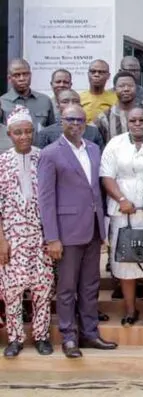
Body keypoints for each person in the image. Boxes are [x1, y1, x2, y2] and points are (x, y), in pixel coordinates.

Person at [38, 104, 117, 358]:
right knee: (67, 288)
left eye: (80, 119)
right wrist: (52, 237)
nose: (76, 123)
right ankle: (69, 337)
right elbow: (46, 199)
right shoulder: (50, 153)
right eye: (70, 119)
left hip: (93, 229)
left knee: (90, 286)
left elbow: (96, 190)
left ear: (86, 123)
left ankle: (90, 334)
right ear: (62, 121)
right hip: (66, 232)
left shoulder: (94, 149)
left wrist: (102, 229)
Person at [99, 105, 143, 328]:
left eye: (142, 120)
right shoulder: (115, 143)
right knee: (125, 264)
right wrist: (121, 199)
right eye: (133, 121)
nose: (137, 124)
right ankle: (130, 310)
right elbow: (106, 176)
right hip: (122, 212)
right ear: (127, 122)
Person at [0, 107, 54, 357]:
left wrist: (53, 236)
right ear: (10, 134)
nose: (24, 136)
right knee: (13, 290)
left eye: (28, 131)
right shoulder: (2, 162)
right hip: (12, 238)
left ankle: (41, 336)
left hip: (40, 235)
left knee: (42, 287)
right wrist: (1, 240)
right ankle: (15, 338)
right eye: (18, 132)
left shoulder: (43, 158)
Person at [37, 90, 105, 151]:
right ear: (58, 106)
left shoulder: (93, 132)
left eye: (75, 101)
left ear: (80, 105)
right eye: (65, 101)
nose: (71, 104)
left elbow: (100, 159)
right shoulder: (45, 134)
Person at [0, 58, 54, 129]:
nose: (22, 78)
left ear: (30, 75)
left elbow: (52, 131)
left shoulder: (45, 100)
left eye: (25, 74)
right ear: (9, 78)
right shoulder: (2, 102)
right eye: (17, 75)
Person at [94, 70, 142, 144]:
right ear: (114, 89)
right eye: (121, 86)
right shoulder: (104, 117)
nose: (126, 89)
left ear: (136, 88)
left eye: (130, 86)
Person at [79, 59, 117, 124]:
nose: (96, 75)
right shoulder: (79, 98)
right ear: (88, 74)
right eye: (93, 71)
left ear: (108, 76)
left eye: (101, 72)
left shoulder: (115, 99)